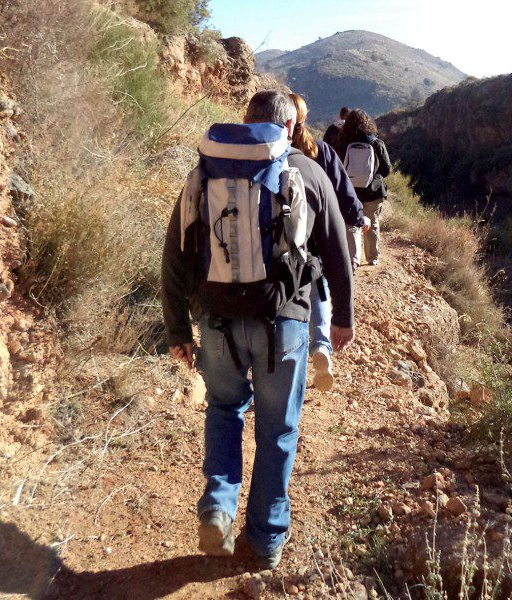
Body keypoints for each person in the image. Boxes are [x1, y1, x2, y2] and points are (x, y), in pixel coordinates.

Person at [161, 91, 354, 570]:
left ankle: (218, 507)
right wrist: (343, 319)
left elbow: (175, 255)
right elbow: (337, 254)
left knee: (225, 411)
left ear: (246, 123)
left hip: (217, 322)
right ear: (289, 128)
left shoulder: (203, 173)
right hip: (283, 324)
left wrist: (177, 330)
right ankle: (265, 540)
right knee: (278, 430)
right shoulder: (307, 172)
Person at [289, 94, 369, 392]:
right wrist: (359, 219)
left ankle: (289, 355)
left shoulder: (271, 154)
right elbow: (345, 194)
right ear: (305, 119)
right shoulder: (320, 151)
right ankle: (321, 346)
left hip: (281, 243)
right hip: (318, 240)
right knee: (318, 290)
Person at [334, 109, 391, 266]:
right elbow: (386, 169)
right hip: (373, 192)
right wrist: (372, 178)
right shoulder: (376, 143)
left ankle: (353, 260)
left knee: (352, 224)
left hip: (350, 192)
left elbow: (337, 168)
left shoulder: (343, 143)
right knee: (372, 223)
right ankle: (372, 258)